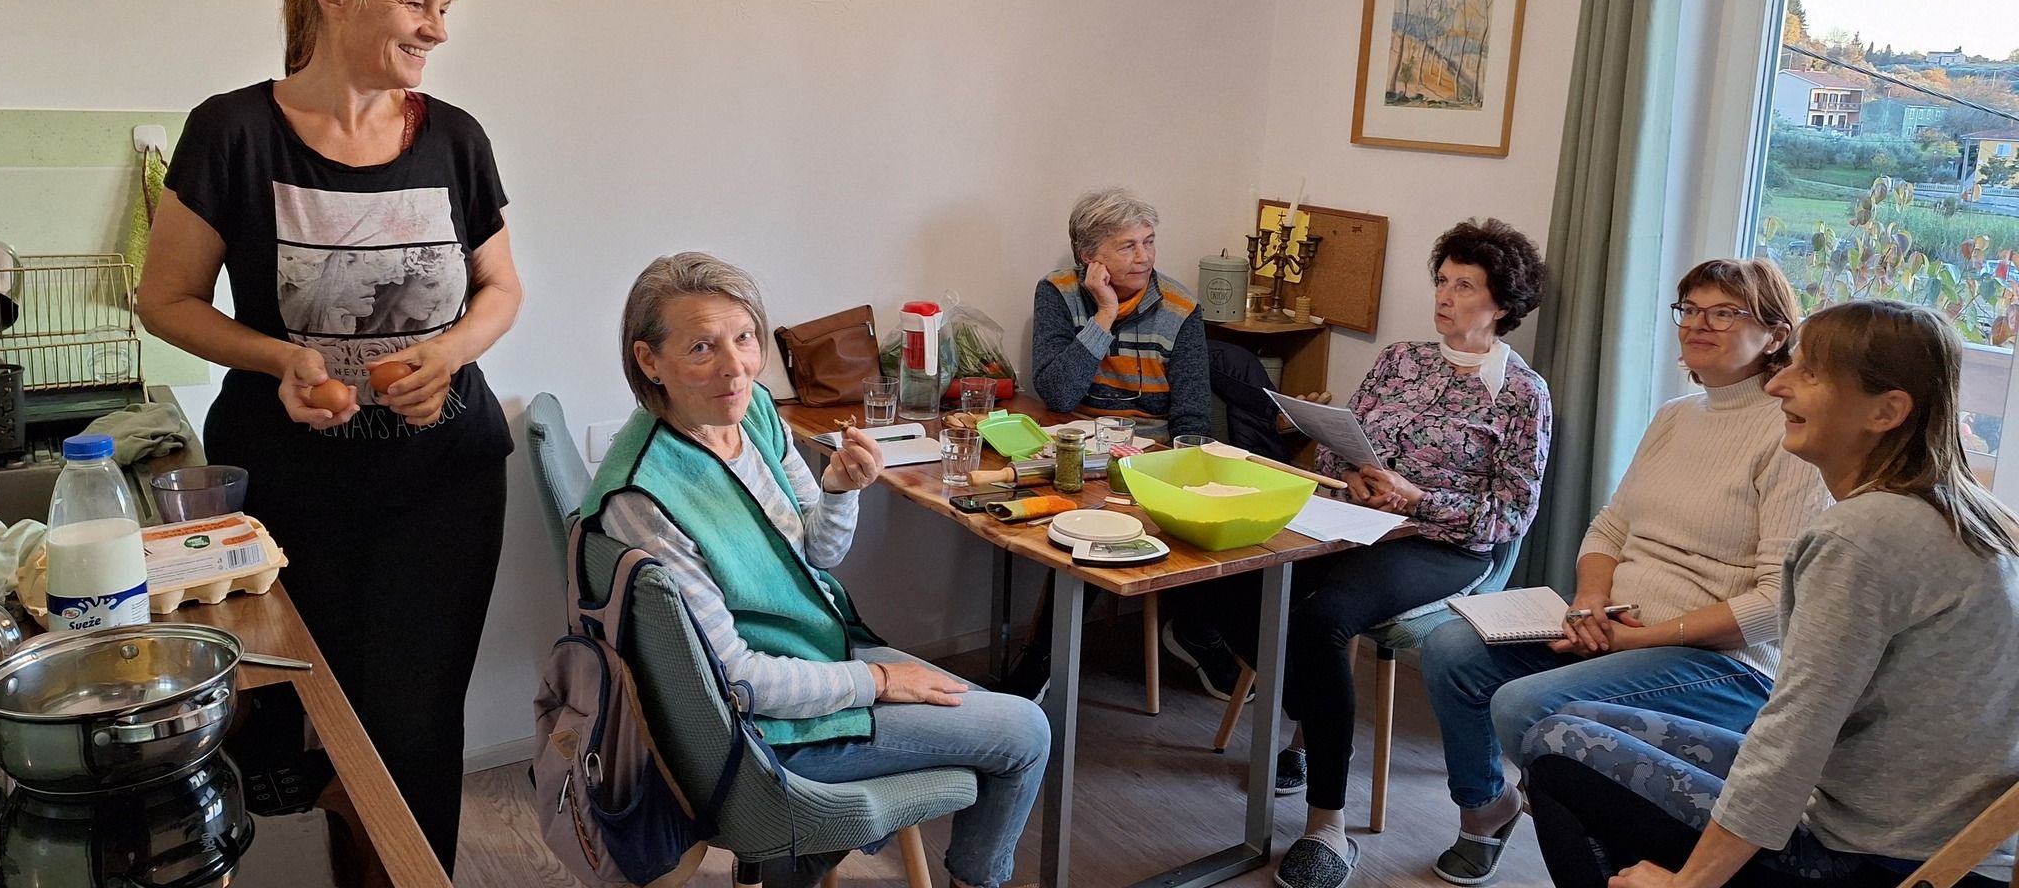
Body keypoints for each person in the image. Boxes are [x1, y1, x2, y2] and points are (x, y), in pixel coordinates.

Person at [136, 0, 521, 872]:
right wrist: (280, 359)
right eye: (417, 2)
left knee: (419, 719)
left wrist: (450, 355)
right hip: (286, 481)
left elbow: (501, 289)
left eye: (445, 9)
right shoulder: (233, 131)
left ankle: (412, 871)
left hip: (446, 478)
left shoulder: (456, 138)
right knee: (282, 710)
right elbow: (166, 299)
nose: (437, 29)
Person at [588, 252, 1049, 888]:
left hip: (813, 657)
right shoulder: (645, 497)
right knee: (1024, 731)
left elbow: (818, 554)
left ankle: (803, 858)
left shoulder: (750, 412)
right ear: (649, 362)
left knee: (998, 729)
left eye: (744, 338)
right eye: (701, 347)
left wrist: (839, 490)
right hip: (764, 731)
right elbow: (735, 682)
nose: (735, 367)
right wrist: (878, 680)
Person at [1523, 299, 2019, 888]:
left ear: (1887, 411)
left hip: (1879, 858)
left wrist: (1690, 884)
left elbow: (1795, 734)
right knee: (1578, 718)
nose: (1778, 384)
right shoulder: (1980, 512)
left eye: (1809, 374)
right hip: (1944, 835)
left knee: (1554, 742)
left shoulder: (1863, 536)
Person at [1167, 218, 1553, 888]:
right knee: (1220, 573)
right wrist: (1353, 474)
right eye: (1442, 281)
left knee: (1323, 617)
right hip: (1357, 519)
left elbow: (1510, 516)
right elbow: (1342, 446)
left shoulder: (1523, 394)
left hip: (1446, 544)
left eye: (1464, 286)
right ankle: (1318, 716)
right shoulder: (1401, 359)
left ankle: (1327, 825)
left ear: (1502, 304)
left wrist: (1416, 499)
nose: (1445, 296)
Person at [1417, 259, 1829, 885]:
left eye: (1724, 313)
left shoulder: (1788, 436)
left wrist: (1638, 638)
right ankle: (1487, 810)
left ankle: (1613, 859)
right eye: (1690, 309)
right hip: (1616, 628)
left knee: (1526, 706)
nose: (1699, 324)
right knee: (1451, 649)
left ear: (1775, 335)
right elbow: (1610, 527)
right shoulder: (1676, 416)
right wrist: (1588, 602)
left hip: (1725, 663)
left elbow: (1777, 603)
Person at [1032, 187, 1210, 442]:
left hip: (1150, 448)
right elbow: (1058, 397)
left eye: (1149, 242)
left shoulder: (1182, 308)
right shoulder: (1058, 292)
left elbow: (1192, 421)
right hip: (1076, 441)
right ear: (1088, 256)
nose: (1144, 257)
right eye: (1127, 247)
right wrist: (1105, 313)